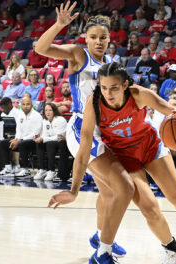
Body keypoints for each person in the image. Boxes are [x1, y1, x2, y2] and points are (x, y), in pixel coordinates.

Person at [48, 62, 176, 262]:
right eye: (103, 88)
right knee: (149, 207)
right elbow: (83, 151)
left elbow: (170, 110)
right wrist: (74, 190)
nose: (108, 93)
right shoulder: (94, 104)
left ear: (125, 85)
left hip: (150, 147)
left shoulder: (138, 94)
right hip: (124, 158)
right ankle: (171, 250)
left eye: (113, 87)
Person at [35, 4, 128, 260]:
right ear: (86, 38)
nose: (99, 41)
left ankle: (101, 237)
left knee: (108, 192)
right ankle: (103, 250)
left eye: (103, 37)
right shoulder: (78, 54)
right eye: (94, 37)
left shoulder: (112, 63)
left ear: (110, 39)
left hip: (105, 130)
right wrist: (59, 25)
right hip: (81, 129)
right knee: (120, 188)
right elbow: (40, 49)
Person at [0, 97, 43, 177]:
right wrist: (16, 139)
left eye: (28, 104)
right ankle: (8, 168)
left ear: (32, 105)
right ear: (20, 105)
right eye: (23, 104)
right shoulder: (20, 115)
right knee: (3, 143)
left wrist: (20, 140)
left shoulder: (37, 116)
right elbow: (18, 131)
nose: (26, 106)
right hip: (22, 140)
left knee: (22, 144)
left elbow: (36, 134)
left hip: (35, 142)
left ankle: (25, 170)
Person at [34, 103, 69, 181]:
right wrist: (40, 138)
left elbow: (59, 137)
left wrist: (44, 139)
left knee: (50, 144)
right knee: (39, 143)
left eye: (50, 110)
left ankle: (51, 170)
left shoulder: (60, 120)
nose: (48, 112)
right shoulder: (45, 120)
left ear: (54, 111)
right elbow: (45, 134)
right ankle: (42, 169)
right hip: (52, 140)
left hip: (64, 141)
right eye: (46, 110)